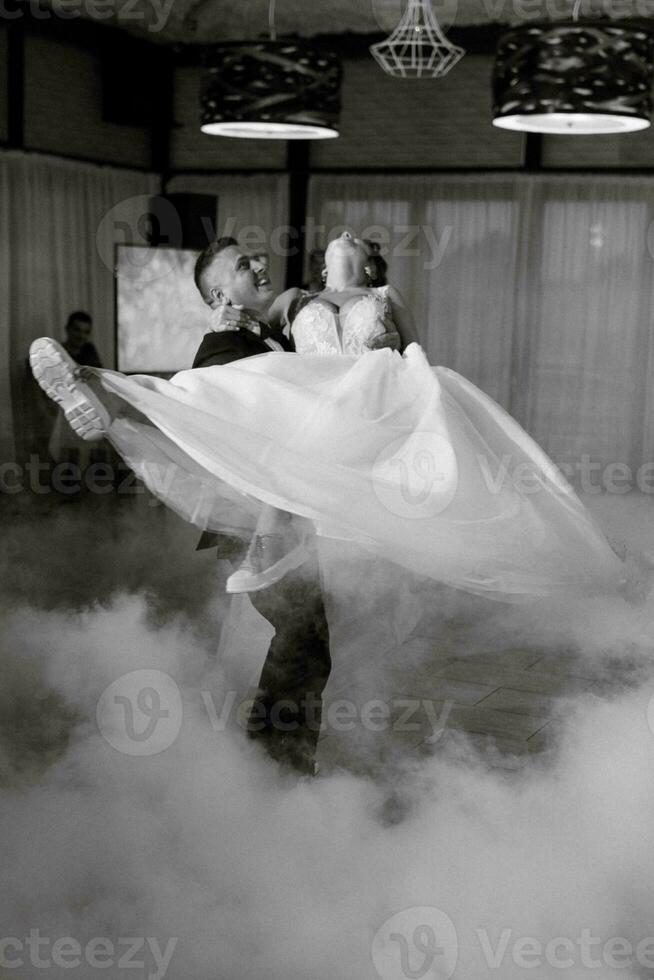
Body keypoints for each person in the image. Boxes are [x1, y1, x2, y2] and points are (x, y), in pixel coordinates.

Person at [30, 235, 630, 607]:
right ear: (220, 297)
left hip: (347, 425)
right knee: (208, 395)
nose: (259, 266)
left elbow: (412, 351)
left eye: (256, 260)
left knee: (296, 645)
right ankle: (104, 392)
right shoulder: (248, 332)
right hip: (274, 481)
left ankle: (107, 396)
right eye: (245, 264)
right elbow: (229, 405)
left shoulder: (333, 310)